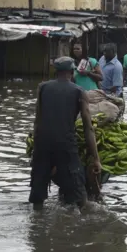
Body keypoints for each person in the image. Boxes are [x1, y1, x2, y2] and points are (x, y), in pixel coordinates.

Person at [29, 56, 101, 211]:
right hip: (66, 145)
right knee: (81, 199)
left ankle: (36, 228)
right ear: (72, 71)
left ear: (56, 71)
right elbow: (88, 127)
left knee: (37, 200)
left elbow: (37, 122)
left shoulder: (42, 87)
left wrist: (35, 152)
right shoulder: (79, 91)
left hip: (42, 144)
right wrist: (95, 158)